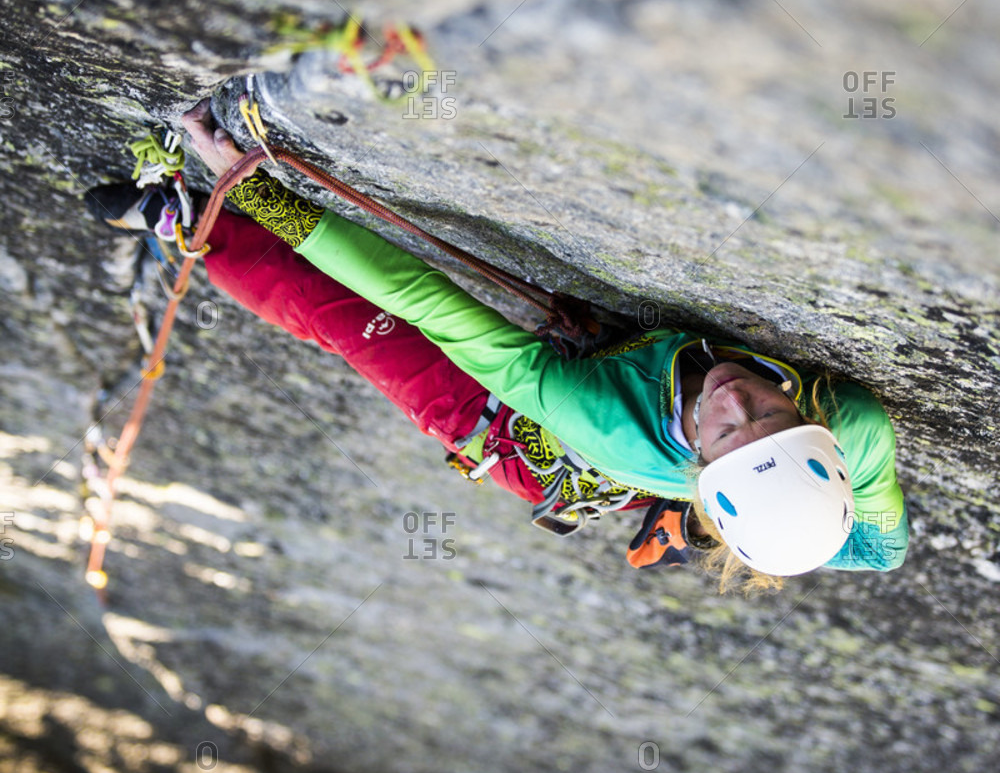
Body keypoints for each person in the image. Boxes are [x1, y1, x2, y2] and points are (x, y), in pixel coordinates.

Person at [86, 97, 908, 589]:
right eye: (769, 408)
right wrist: (740, 526)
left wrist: (261, 196)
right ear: (812, 426)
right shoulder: (852, 428)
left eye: (729, 430)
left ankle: (186, 223)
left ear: (702, 465)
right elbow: (878, 553)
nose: (736, 398)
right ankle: (688, 520)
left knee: (357, 327)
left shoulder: (596, 421)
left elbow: (430, 304)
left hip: (520, 433)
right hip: (680, 479)